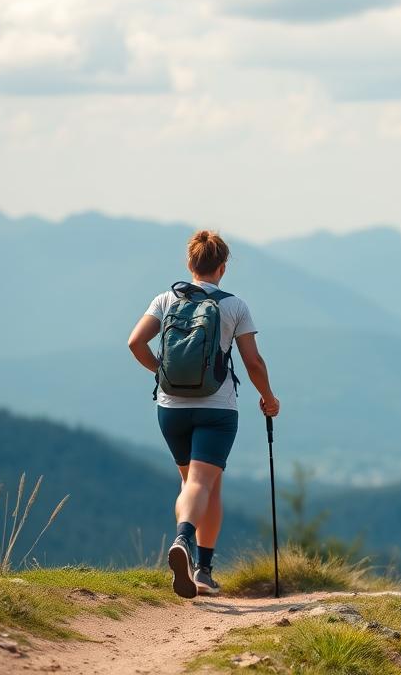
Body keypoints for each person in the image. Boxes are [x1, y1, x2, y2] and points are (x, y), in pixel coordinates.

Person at [127, 230, 280, 598]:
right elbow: (253, 361)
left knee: (194, 484)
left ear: (190, 264)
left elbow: (135, 342)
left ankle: (200, 568)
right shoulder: (234, 306)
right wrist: (268, 397)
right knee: (204, 484)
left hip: (170, 408)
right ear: (222, 267)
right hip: (216, 409)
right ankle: (192, 552)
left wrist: (162, 373)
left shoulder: (165, 299)